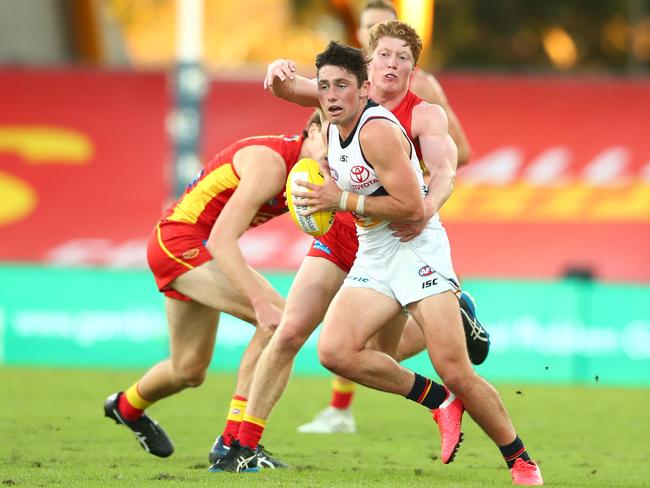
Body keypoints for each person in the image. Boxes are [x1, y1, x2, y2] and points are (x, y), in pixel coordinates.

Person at [215, 40, 543, 485]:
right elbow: (292, 91)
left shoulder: (379, 130)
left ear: (364, 88)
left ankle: (520, 460)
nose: (330, 95)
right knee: (336, 352)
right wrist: (277, 71)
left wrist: (338, 198)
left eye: (340, 86)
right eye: (324, 86)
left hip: (415, 248)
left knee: (456, 369)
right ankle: (439, 401)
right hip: (373, 249)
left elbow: (413, 205)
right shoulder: (333, 124)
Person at [102, 112, 325, 467]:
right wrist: (259, 304)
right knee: (279, 321)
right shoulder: (272, 163)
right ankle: (234, 442)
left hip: (190, 248)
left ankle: (125, 407)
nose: (335, 152)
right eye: (330, 136)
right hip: (182, 244)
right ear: (311, 130)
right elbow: (222, 239)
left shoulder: (312, 174)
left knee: (188, 370)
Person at [298, 0, 475, 434]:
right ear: (365, 43)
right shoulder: (347, 87)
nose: (385, 54)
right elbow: (312, 126)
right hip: (343, 220)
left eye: (396, 48)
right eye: (372, 36)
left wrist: (421, 203)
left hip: (394, 221)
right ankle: (248, 440)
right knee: (296, 332)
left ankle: (343, 408)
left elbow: (458, 155)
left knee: (380, 349)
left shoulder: (423, 92)